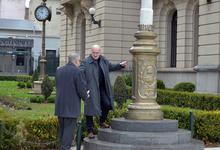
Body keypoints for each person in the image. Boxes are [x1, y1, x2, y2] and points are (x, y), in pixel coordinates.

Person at [80, 44, 127, 139]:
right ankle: (90, 131)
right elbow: (80, 75)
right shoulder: (85, 62)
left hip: (102, 88)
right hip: (91, 89)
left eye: (97, 52)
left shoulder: (103, 61)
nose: (95, 54)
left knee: (108, 104)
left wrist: (120, 65)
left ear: (100, 52)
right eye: (94, 52)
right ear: (91, 52)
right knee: (90, 110)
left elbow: (110, 67)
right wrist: (84, 88)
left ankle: (102, 122)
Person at [55, 53, 89, 150]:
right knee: (68, 137)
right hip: (71, 109)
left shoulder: (59, 70)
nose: (80, 63)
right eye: (79, 61)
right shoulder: (77, 72)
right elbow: (81, 89)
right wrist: (86, 96)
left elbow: (58, 86)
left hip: (60, 107)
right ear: (76, 61)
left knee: (62, 134)